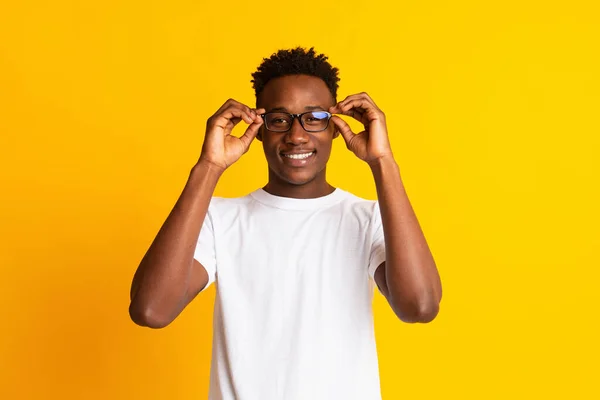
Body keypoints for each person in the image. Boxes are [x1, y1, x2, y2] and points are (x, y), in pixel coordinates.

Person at [129, 47, 442, 400]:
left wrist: (383, 162)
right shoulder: (219, 219)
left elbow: (420, 306)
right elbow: (151, 310)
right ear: (258, 128)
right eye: (279, 119)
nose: (296, 135)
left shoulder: (367, 219)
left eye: (315, 117)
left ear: (336, 127)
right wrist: (208, 168)